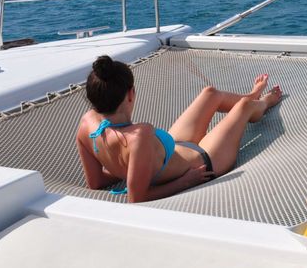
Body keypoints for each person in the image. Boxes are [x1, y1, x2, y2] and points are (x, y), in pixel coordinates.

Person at [76, 55, 282, 203]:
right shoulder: (139, 135)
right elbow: (136, 197)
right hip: (205, 160)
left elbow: (96, 182)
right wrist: (184, 182)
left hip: (175, 147)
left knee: (209, 93)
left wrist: (130, 169)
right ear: (131, 94)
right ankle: (264, 102)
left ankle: (251, 94)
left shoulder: (87, 124)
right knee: (243, 108)